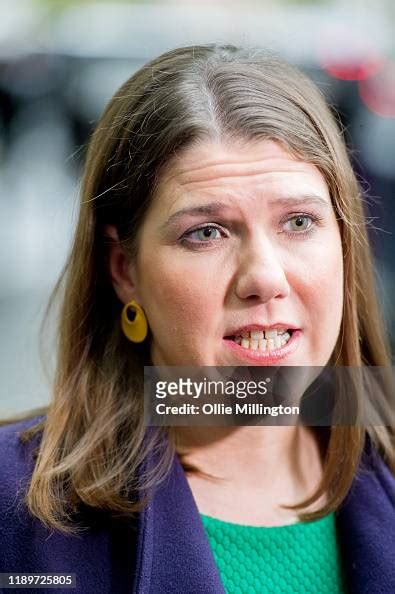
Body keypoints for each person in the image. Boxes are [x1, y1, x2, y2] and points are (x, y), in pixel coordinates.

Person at [0, 44, 394, 594]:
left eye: (299, 222)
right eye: (205, 232)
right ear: (124, 272)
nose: (265, 277)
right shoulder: (13, 511)